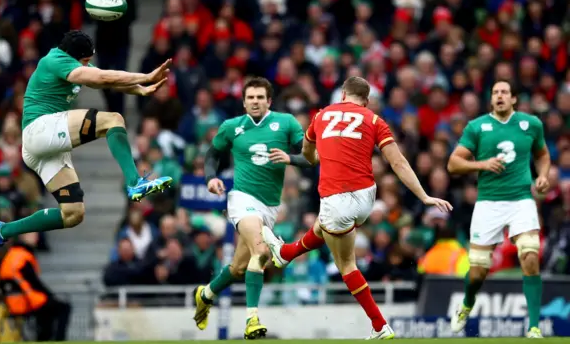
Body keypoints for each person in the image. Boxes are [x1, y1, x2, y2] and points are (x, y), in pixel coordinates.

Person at [262, 77, 452, 340]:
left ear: (342, 94)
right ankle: (286, 253)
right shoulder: (374, 120)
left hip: (336, 198)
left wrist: (316, 157)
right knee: (322, 226)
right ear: (366, 99)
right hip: (366, 198)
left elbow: (307, 152)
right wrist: (424, 196)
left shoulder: (321, 115)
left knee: (347, 264)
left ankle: (379, 325)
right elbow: (398, 163)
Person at [0, 30, 173, 264]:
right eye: (85, 60)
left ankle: (2, 231)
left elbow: (104, 79)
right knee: (113, 120)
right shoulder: (55, 61)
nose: (88, 63)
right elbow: (101, 78)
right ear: (75, 57)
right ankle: (134, 183)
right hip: (39, 129)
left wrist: (138, 89)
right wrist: (143, 77)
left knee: (73, 213)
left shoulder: (67, 61)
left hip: (41, 147)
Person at [192, 77, 314, 339]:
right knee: (261, 251)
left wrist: (290, 158)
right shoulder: (231, 127)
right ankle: (252, 319)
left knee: (238, 268)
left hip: (269, 206)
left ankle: (205, 294)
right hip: (241, 199)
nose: (255, 101)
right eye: (251, 98)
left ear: (269, 101)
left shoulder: (286, 123)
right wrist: (210, 178)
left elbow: (310, 157)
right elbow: (212, 155)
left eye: (260, 97)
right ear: (244, 102)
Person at [446, 80, 550, 339]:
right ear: (491, 99)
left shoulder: (531, 124)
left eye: (505, 92)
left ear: (514, 99)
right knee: (479, 270)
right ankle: (467, 303)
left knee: (530, 257)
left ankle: (534, 327)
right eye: (495, 93)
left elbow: (543, 154)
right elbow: (453, 163)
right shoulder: (477, 127)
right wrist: (481, 165)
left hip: (521, 200)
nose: (500, 96)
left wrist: (543, 175)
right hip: (489, 203)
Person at [0, 232, 71, 341]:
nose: (35, 237)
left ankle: (43, 338)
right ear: (22, 236)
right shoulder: (23, 256)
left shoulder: (12, 254)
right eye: (31, 234)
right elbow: (34, 282)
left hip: (12, 302)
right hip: (26, 301)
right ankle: (59, 339)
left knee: (48, 310)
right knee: (63, 307)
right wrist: (50, 295)